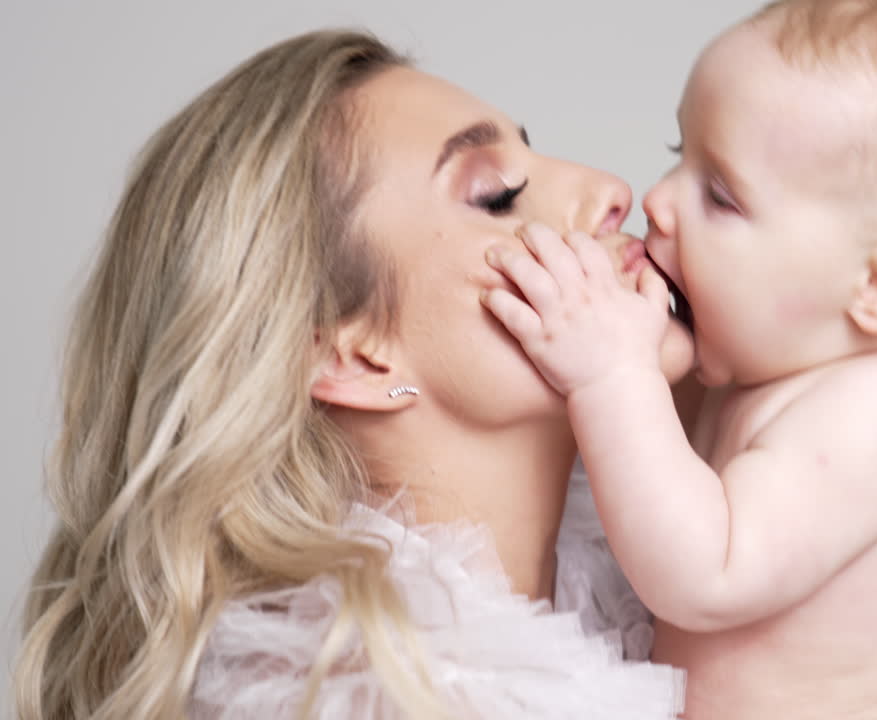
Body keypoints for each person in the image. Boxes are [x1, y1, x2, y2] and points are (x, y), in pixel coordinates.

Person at [13, 29, 695, 720]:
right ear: (357, 357)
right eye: (499, 194)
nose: (610, 191)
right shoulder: (339, 696)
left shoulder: (654, 560)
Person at [480, 0, 877, 718]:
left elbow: (706, 571)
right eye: (677, 157)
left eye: (720, 196)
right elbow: (663, 464)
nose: (660, 203)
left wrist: (611, 375)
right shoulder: (775, 363)